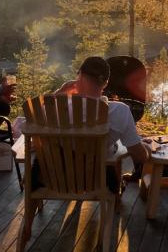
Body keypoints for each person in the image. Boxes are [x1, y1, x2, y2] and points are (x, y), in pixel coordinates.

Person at [51, 56, 150, 189]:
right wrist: (147, 149)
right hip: (98, 178)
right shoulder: (120, 110)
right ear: (106, 83)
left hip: (57, 176)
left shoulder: (56, 107)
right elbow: (140, 156)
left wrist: (59, 93)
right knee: (120, 149)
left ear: (79, 76)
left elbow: (30, 125)